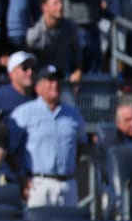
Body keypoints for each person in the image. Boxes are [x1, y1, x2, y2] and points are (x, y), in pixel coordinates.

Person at [8, 65, 86, 207]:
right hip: (38, 183)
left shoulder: (73, 114)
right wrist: (21, 177)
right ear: (38, 87)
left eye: (57, 80)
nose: (55, 84)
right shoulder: (24, 113)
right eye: (49, 80)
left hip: (67, 183)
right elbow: (11, 150)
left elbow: (81, 145)